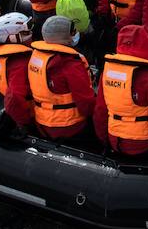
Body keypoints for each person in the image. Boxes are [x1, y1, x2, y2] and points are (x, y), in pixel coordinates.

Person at [93, 24, 148, 157]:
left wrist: (106, 142)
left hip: (115, 140)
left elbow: (100, 111)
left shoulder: (108, 71)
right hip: (144, 144)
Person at [27, 15, 96, 144]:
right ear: (63, 36)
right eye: (73, 31)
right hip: (69, 125)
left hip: (41, 122)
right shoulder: (70, 63)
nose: (76, 34)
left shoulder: (36, 55)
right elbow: (85, 102)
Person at [0, 11, 35, 137]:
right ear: (11, 37)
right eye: (25, 33)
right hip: (23, 115)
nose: (30, 35)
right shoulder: (21, 62)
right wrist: (25, 124)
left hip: (1, 107)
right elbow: (15, 96)